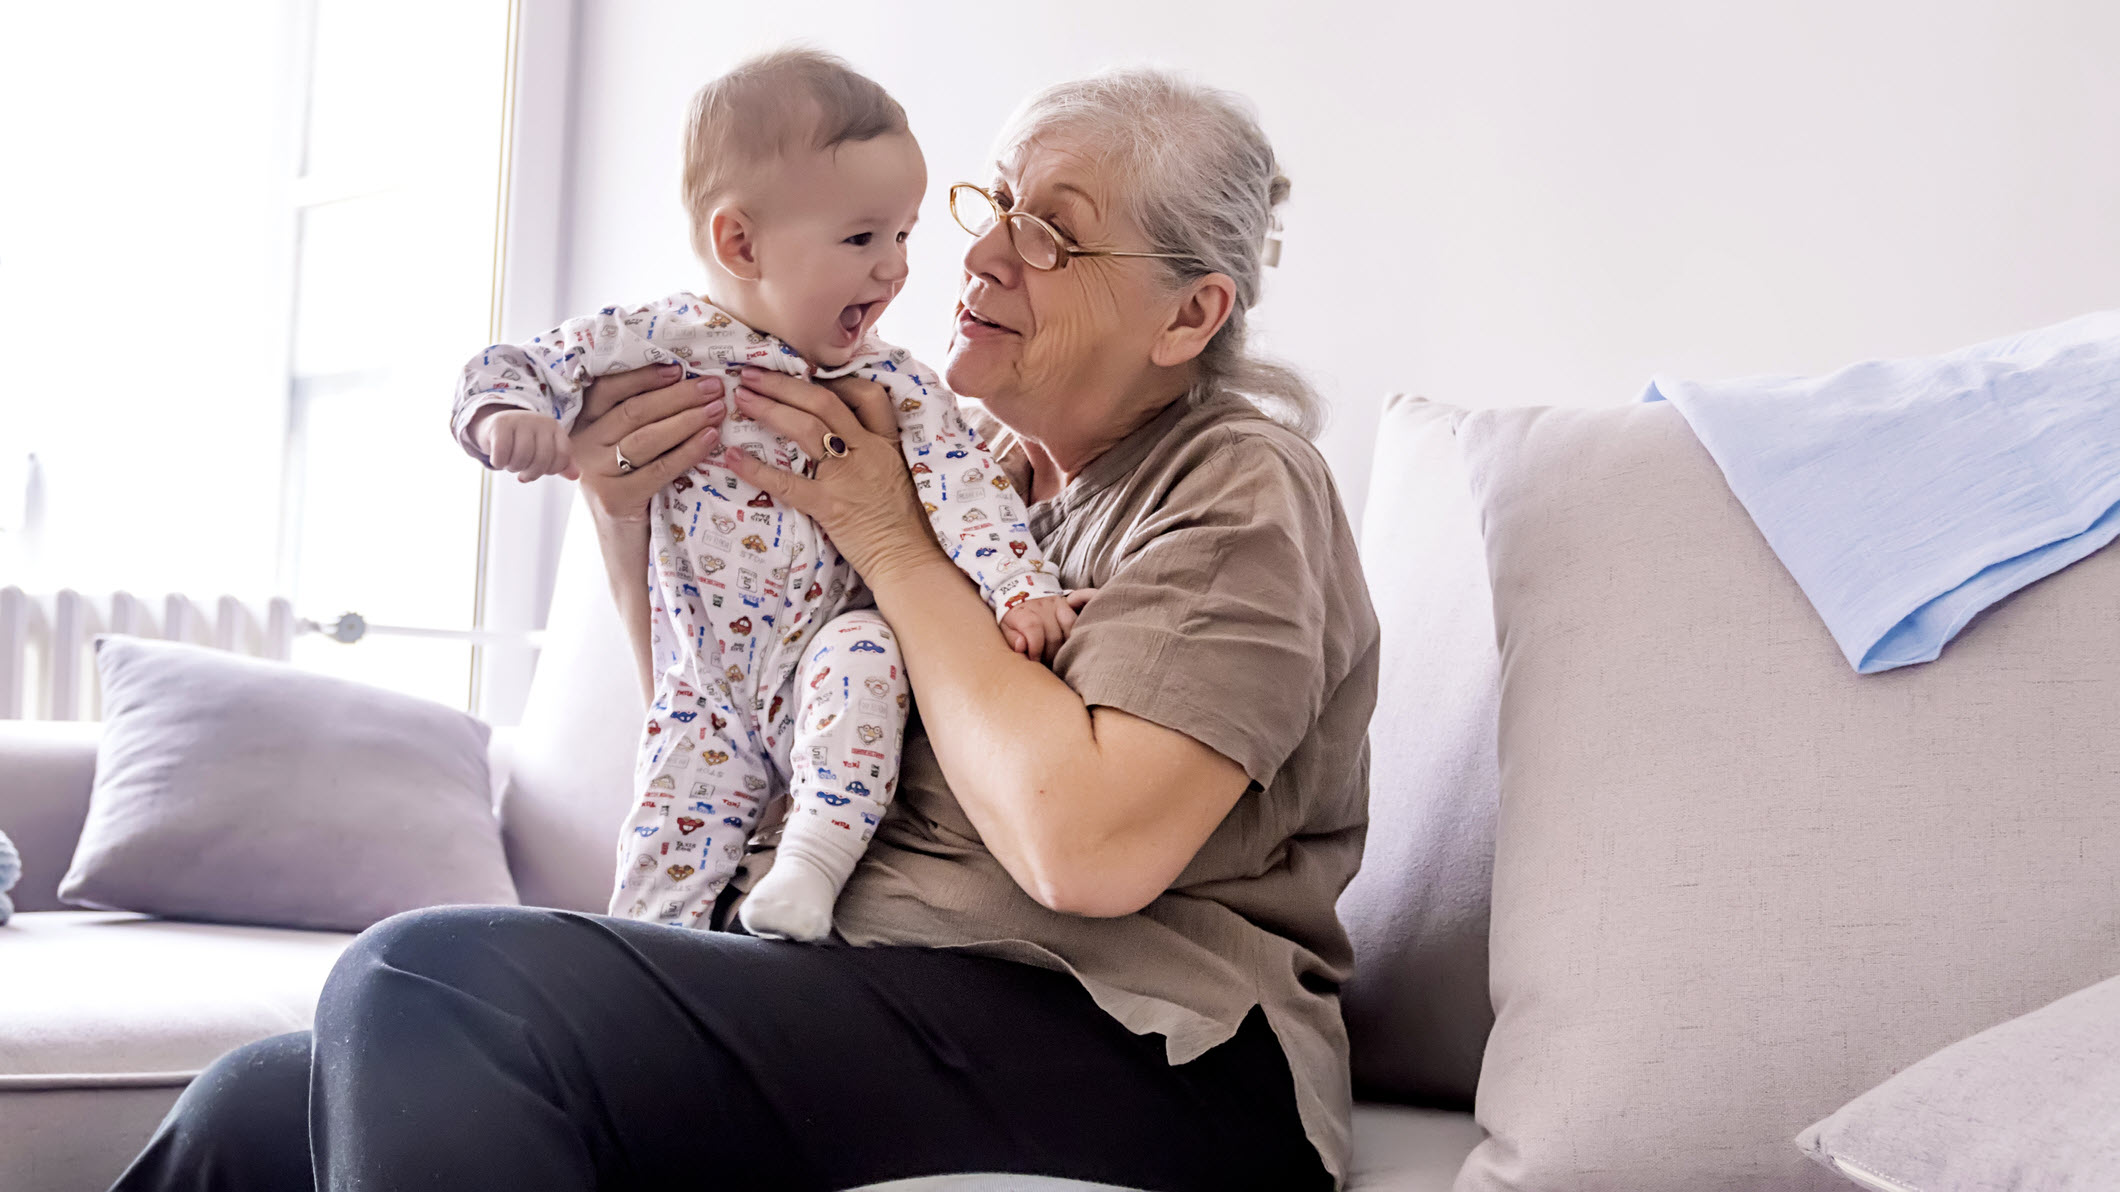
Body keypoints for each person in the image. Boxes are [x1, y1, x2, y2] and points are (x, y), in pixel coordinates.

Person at [113, 66, 1376, 1192]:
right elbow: (742, 705)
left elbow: (1084, 851)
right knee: (257, 1107)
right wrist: (620, 513)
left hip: (1146, 1046)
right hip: (871, 976)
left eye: (1048, 234)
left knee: (430, 979)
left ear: (1187, 317)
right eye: (990, 205)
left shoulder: (1236, 484)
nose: (984, 253)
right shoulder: (972, 465)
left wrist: (889, 541)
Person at [452, 49, 1078, 942]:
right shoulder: (657, 341)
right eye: (863, 239)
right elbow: (514, 363)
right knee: (659, 875)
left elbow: (968, 488)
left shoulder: (893, 382)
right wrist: (503, 416)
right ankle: (646, 973)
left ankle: (809, 869)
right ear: (739, 243)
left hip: (823, 658)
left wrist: (1021, 588)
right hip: (704, 686)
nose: (895, 271)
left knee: (869, 653)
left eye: (902, 237)